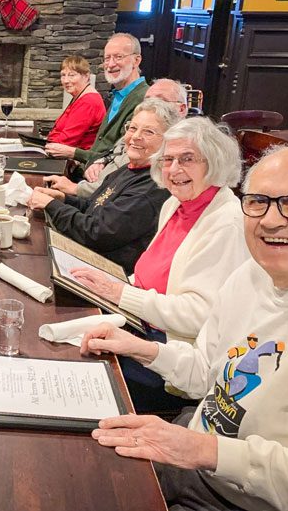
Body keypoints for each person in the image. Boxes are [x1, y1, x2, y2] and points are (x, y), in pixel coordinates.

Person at [81, 146, 288, 511]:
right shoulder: (251, 275)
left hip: (243, 499)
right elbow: (208, 371)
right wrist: (140, 348)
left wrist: (206, 450)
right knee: (78, 460)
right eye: (259, 201)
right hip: (196, 451)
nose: (271, 220)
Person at [71, 117, 248, 412]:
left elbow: (198, 316)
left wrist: (119, 293)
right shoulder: (175, 204)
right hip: (137, 323)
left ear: (215, 162)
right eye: (168, 159)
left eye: (187, 159)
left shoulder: (226, 224)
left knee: (80, 375)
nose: (174, 170)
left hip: (173, 359)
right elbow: (144, 277)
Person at [28, 98, 180, 273]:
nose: (136, 137)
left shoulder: (152, 186)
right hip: (87, 254)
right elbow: (94, 205)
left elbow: (95, 233)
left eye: (149, 132)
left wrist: (51, 206)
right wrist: (62, 199)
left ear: (168, 141)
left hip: (105, 271)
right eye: (132, 128)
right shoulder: (130, 168)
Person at [45, 78, 189, 199]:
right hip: (91, 190)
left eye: (160, 100)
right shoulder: (137, 131)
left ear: (181, 109)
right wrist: (102, 160)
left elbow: (112, 197)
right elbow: (115, 149)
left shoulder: (167, 147)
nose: (151, 106)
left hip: (97, 197)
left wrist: (74, 189)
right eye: (148, 100)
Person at [46, 33, 148, 170]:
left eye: (119, 57)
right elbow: (102, 147)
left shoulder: (144, 99)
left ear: (136, 60)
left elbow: (123, 155)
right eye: (107, 58)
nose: (111, 64)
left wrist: (74, 153)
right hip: (87, 168)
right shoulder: (117, 95)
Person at [42, 55, 105, 153]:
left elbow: (67, 141)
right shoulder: (80, 96)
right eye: (63, 75)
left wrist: (41, 147)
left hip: (76, 161)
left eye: (72, 75)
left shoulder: (88, 101)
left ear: (86, 76)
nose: (66, 81)